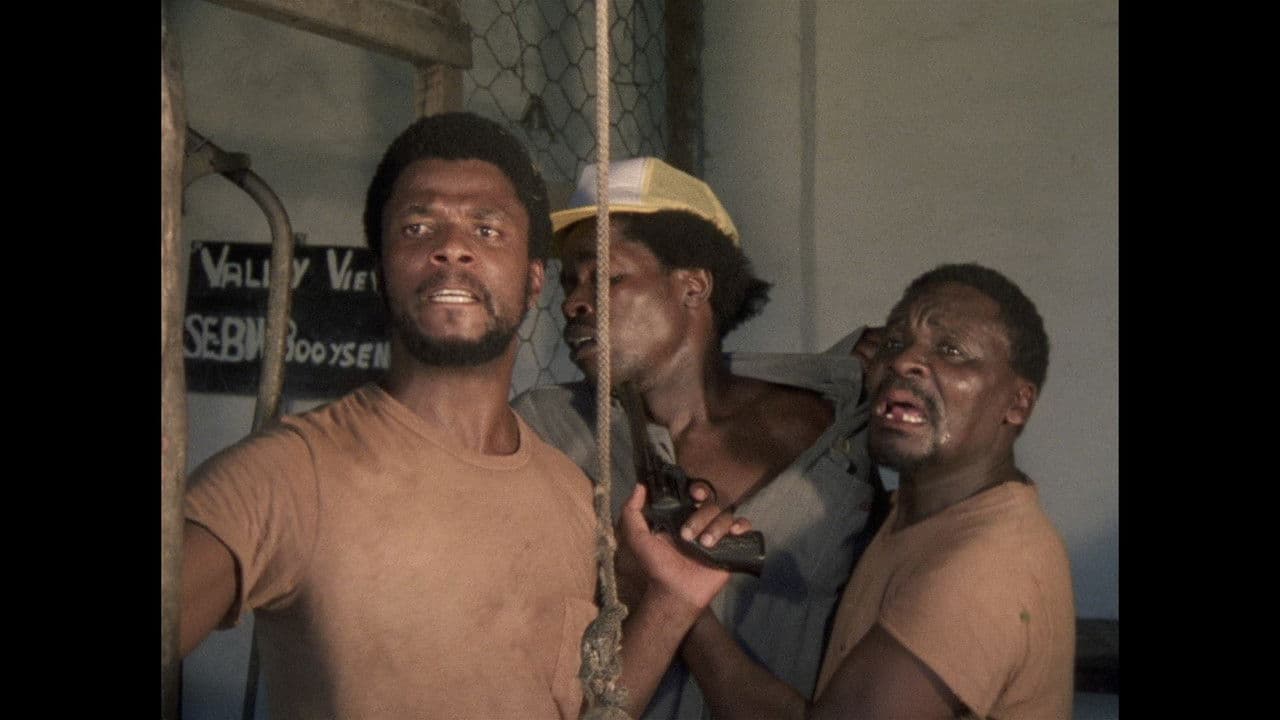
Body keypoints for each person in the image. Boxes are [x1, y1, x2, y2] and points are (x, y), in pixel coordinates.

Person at [178, 112, 603, 719]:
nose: (451, 248)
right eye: (417, 227)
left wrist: (672, 601)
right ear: (380, 272)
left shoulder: (575, 497)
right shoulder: (286, 475)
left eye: (487, 230)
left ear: (534, 281)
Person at [511, 157, 886, 719]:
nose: (573, 303)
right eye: (569, 282)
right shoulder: (548, 430)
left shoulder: (841, 428)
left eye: (606, 277)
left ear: (693, 286)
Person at [621, 263, 1077, 719]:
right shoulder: (912, 516)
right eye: (894, 344)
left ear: (1016, 404)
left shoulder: (985, 566)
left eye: (951, 350)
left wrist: (679, 604)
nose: (903, 361)